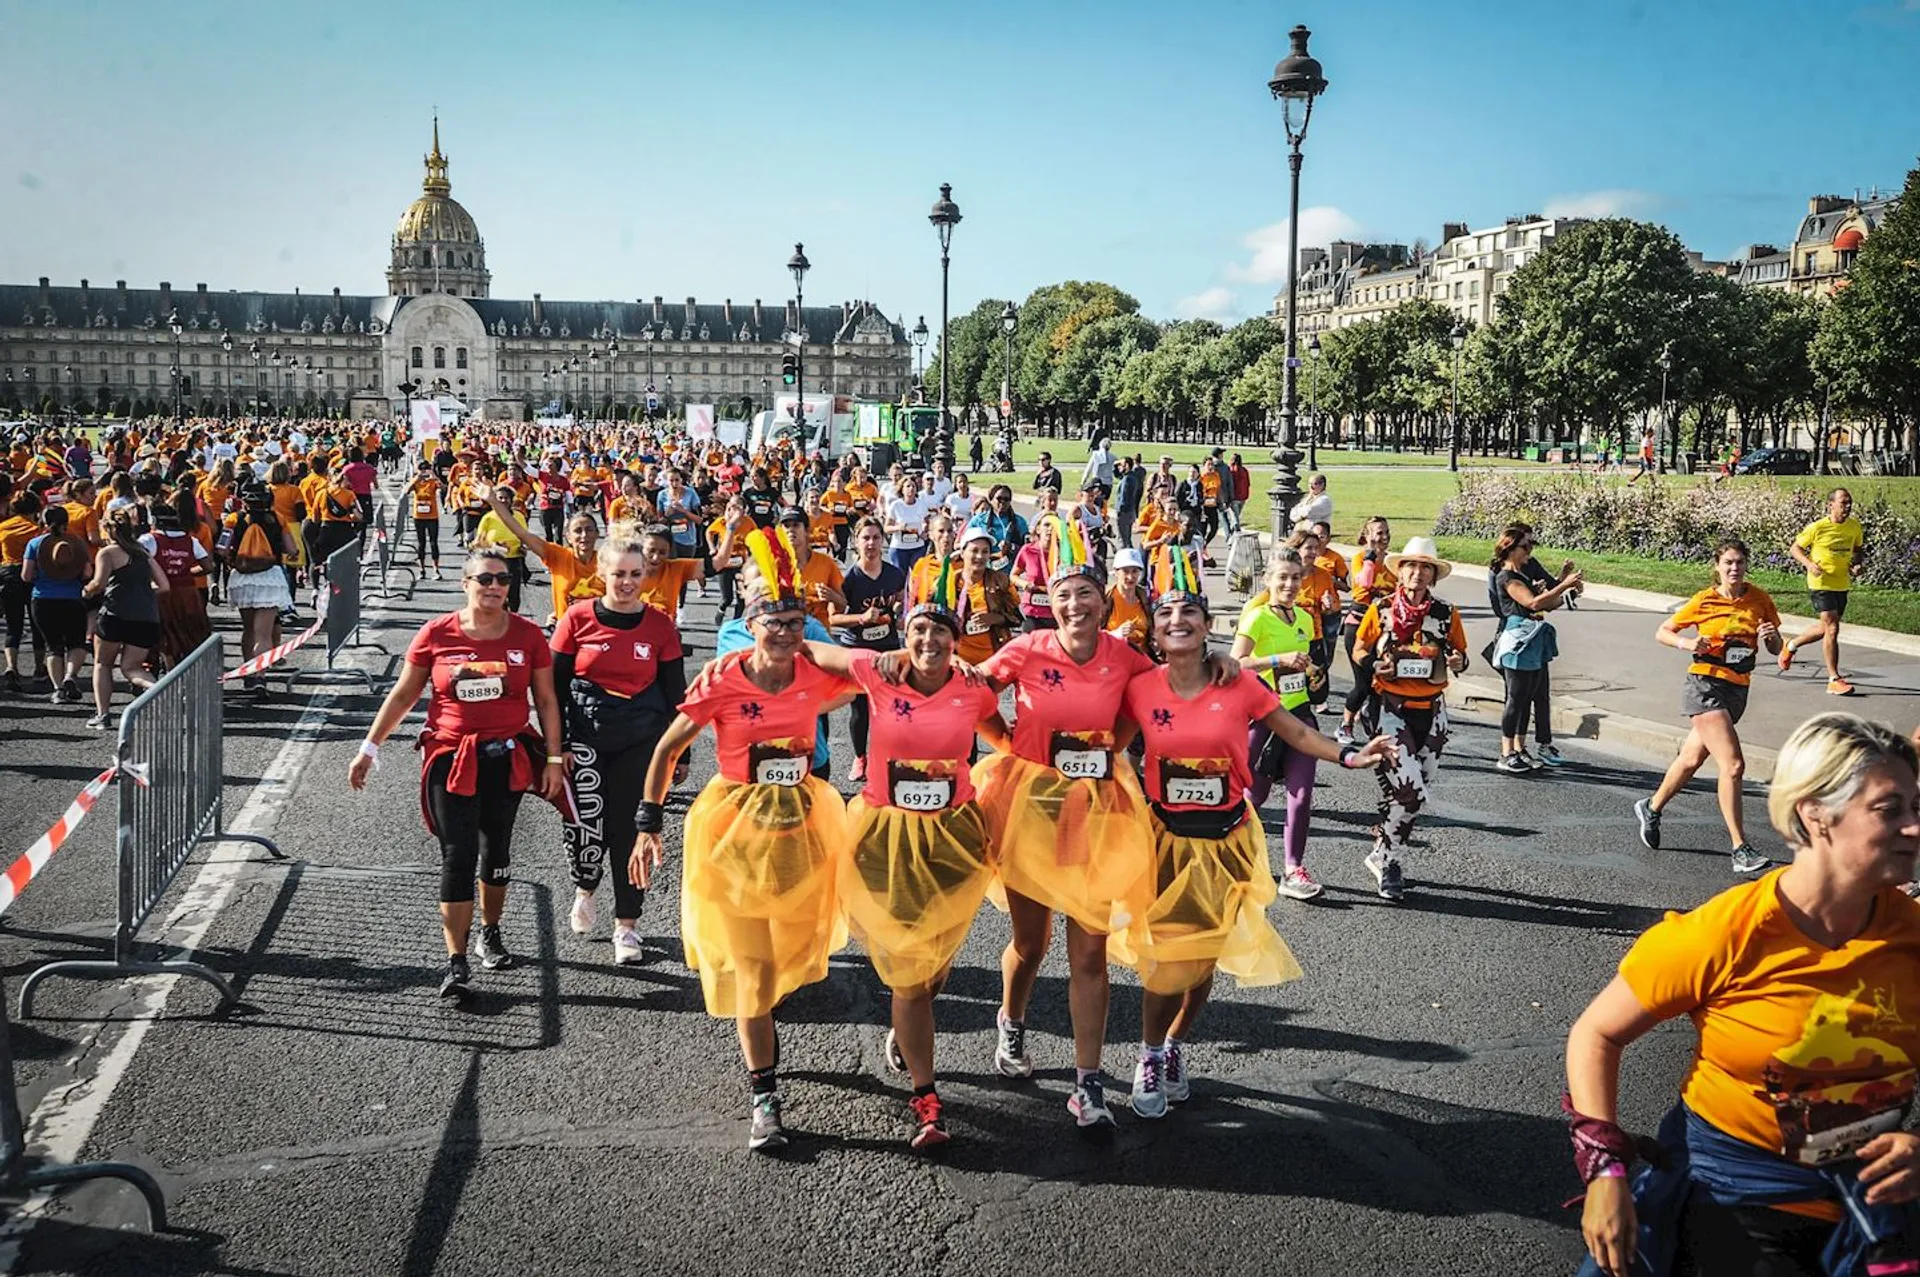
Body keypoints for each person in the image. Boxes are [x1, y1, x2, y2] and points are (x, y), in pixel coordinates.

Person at [1568, 714, 1920, 1277]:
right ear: (1815, 813)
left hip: (1875, 1208)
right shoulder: (1726, 932)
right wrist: (1604, 1174)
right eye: (1889, 810)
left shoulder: (1913, 935)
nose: (1914, 828)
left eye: (1916, 808)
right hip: (1733, 1202)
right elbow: (1597, 1033)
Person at [1115, 550, 1393, 1116]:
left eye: (1190, 613)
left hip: (1227, 839)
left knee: (1206, 955)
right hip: (1166, 838)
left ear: (1207, 626)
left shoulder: (1237, 683)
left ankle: (1173, 1046)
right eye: (1167, 614)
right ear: (1158, 630)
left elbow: (1293, 729)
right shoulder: (1141, 688)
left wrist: (1349, 755)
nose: (1177, 622)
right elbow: (1108, 746)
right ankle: (1146, 1053)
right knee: (1168, 955)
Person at [628, 534, 861, 1153]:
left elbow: (877, 683)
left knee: (791, 946)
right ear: (749, 623)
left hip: (803, 824)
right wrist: (648, 822)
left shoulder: (814, 671)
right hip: (733, 826)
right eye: (772, 622)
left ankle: (767, 1014)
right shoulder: (725, 678)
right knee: (755, 972)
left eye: (794, 622)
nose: (784, 633)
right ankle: (765, 1097)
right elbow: (669, 747)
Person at [797, 576, 1011, 1150]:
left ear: (955, 640)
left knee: (935, 962)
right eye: (919, 629)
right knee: (909, 969)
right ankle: (927, 1096)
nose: (929, 639)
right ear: (905, 635)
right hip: (886, 833)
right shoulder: (877, 671)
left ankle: (910, 1016)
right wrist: (881, 650)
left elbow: (1007, 742)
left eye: (940, 630)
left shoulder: (973, 690)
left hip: (955, 836)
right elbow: (814, 649)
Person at [971, 523, 1161, 1131]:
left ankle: (1087, 1084)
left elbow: (1146, 706)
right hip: (1029, 805)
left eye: (1085, 594)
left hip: (1097, 810)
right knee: (1032, 943)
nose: (1074, 606)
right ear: (1048, 607)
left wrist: (1116, 751)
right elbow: (973, 693)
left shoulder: (1126, 656)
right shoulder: (1028, 649)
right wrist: (1005, 744)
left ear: (1104, 600)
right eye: (1062, 598)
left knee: (1090, 951)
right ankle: (1012, 1022)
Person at [348, 549, 567, 997]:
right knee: (458, 854)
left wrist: (554, 759)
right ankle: (457, 960)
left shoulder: (527, 636)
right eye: (484, 578)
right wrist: (369, 748)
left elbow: (546, 701)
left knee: (497, 851)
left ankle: (491, 931)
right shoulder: (436, 633)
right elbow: (405, 694)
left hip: (506, 757)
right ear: (464, 583)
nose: (494, 586)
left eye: (503, 579)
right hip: (451, 758)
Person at [552, 533, 686, 965]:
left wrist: (679, 753)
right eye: (618, 574)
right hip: (586, 738)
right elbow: (553, 689)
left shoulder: (662, 625)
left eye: (635, 574)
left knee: (632, 831)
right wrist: (558, 747)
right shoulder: (576, 618)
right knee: (587, 826)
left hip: (640, 738)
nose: (627, 583)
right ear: (601, 573)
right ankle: (585, 887)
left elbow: (675, 694)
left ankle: (627, 925)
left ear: (645, 575)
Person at [1632, 540, 1782, 878]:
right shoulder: (1704, 600)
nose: (1734, 568)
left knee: (1690, 759)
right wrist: (1687, 642)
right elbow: (1664, 632)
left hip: (1737, 689)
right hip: (1704, 685)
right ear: (1717, 565)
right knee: (1732, 765)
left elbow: (1775, 648)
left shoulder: (1760, 599)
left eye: (1740, 562)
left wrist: (1771, 636)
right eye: (1728, 563)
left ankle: (1652, 807)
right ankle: (1740, 848)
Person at [1350, 537, 1469, 901]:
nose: (1417, 574)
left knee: (1416, 792)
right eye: (1411, 567)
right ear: (1400, 572)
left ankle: (1383, 852)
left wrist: (1457, 662)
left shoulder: (1446, 613)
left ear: (1432, 575)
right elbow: (1358, 649)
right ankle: (1388, 861)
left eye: (1425, 568)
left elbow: (1461, 655)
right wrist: (1374, 664)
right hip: (1390, 709)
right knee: (1411, 791)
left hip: (1432, 713)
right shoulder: (1381, 608)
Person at [1231, 548, 1332, 900]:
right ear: (1269, 581)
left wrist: (1313, 675)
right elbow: (1236, 664)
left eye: (1295, 578)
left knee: (1301, 795)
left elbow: (1306, 665)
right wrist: (1277, 658)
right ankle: (1228, 857)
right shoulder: (1257, 618)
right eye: (1283, 577)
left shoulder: (1305, 618)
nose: (1289, 584)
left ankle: (1293, 870)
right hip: (1263, 718)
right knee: (1252, 797)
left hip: (1300, 715)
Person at [1487, 523, 1582, 774]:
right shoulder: (1506, 576)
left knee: (1529, 696)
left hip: (1533, 638)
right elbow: (1531, 602)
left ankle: (1519, 749)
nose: (1530, 550)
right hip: (1517, 641)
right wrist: (1563, 585)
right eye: (1525, 545)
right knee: (1516, 698)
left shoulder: (1523, 574)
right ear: (1510, 548)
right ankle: (1506, 753)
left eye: (1531, 545)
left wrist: (1569, 594)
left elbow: (1545, 606)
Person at [831, 516, 908, 785]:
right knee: (860, 709)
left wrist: (899, 615)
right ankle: (859, 757)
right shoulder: (848, 579)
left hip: (887, 648)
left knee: (889, 707)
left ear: (883, 542)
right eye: (866, 538)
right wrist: (861, 618)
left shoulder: (895, 574)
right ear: (856, 542)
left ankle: (885, 757)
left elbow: (900, 605)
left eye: (876, 538)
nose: (871, 543)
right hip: (857, 648)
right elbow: (834, 618)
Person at [81, 506, 169, 729]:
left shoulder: (108, 553)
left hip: (115, 614)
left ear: (107, 530)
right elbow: (164, 585)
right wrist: (144, 594)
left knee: (103, 664)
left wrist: (87, 590)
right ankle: (159, 689)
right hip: (146, 616)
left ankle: (103, 715)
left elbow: (99, 584)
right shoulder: (142, 551)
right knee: (132, 668)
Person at [1782, 488, 1866, 697]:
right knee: (1832, 627)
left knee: (1825, 628)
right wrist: (1809, 564)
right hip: (1820, 582)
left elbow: (1857, 549)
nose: (1847, 507)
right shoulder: (1818, 527)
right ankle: (1834, 679)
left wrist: (1856, 565)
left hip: (1841, 583)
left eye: (1849, 503)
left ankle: (1791, 645)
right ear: (1831, 505)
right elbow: (1795, 548)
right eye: (1843, 502)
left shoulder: (1854, 527)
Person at [477, 494, 602, 627]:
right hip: (568, 632)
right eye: (578, 531)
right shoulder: (558, 556)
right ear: (569, 537)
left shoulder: (608, 560)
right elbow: (522, 533)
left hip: (601, 632)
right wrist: (493, 501)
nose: (584, 535)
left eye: (589, 530)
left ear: (597, 534)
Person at [222, 482, 297, 684]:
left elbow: (222, 548)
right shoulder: (277, 519)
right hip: (269, 577)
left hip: (242, 577)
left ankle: (247, 673)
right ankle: (260, 676)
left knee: (248, 630)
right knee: (263, 634)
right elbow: (292, 549)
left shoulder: (233, 519)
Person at [1337, 516, 1396, 746]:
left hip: (1383, 628)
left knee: (1379, 683)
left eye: (1385, 532)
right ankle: (1346, 723)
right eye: (1378, 533)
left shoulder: (1393, 563)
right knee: (1362, 683)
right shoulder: (1361, 558)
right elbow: (1363, 583)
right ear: (1367, 535)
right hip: (1359, 624)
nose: (1383, 537)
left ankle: (1372, 722)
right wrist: (1372, 556)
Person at [21, 500, 88, 704]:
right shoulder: (76, 543)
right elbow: (87, 572)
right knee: (76, 643)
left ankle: (58, 689)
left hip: (43, 598)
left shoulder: (35, 544)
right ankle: (70, 675)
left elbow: (26, 575)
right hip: (72, 597)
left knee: (53, 646)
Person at [141, 489, 213, 671]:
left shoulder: (149, 540)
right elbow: (208, 566)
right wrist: (187, 571)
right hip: (188, 593)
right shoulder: (190, 540)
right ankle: (185, 669)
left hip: (160, 592)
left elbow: (138, 563)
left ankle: (161, 668)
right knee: (188, 634)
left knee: (162, 633)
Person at [883, 472, 933, 576]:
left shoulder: (922, 504)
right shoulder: (896, 505)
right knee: (900, 579)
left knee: (918, 577)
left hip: (917, 547)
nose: (911, 489)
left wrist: (925, 531)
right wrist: (899, 527)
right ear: (902, 489)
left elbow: (927, 522)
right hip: (899, 548)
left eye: (913, 486)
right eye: (908, 486)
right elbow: (886, 528)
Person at [406, 465, 445, 581]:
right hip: (419, 516)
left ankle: (436, 570)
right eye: (422, 470)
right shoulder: (416, 482)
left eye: (426, 470)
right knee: (421, 543)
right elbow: (406, 491)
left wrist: (435, 477)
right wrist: (415, 479)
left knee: (433, 543)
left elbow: (443, 488)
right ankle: (422, 569)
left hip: (432, 516)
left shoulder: (432, 482)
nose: (424, 473)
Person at [1112, 456, 1144, 551]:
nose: (1119, 467)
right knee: (1127, 538)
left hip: (1125, 512)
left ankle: (1123, 556)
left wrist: (1119, 510)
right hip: (1130, 511)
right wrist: (1115, 465)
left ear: (1126, 466)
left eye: (1121, 465)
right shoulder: (1132, 476)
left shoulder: (1127, 479)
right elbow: (1117, 474)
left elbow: (1124, 497)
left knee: (1122, 538)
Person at [1226, 453, 1252, 535]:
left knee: (1235, 516)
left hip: (1234, 497)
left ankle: (1235, 532)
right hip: (1243, 496)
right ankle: (1232, 531)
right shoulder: (1244, 470)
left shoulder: (1230, 470)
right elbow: (1248, 483)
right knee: (1236, 516)